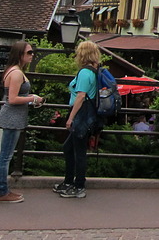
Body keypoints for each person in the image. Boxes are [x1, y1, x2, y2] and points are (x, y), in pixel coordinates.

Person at [0, 41, 44, 203]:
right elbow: (13, 98)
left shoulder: (14, 71)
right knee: (6, 156)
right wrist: (32, 98)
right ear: (20, 54)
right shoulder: (16, 73)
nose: (32, 55)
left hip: (14, 117)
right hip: (12, 118)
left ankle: (3, 190)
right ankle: (1, 191)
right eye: (29, 52)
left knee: (6, 155)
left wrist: (30, 100)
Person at [53, 41, 100, 199]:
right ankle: (69, 182)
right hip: (86, 115)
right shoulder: (92, 71)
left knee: (79, 151)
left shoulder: (84, 73)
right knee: (69, 148)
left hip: (81, 115)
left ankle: (79, 185)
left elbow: (80, 96)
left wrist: (70, 118)